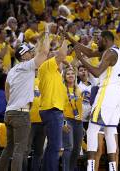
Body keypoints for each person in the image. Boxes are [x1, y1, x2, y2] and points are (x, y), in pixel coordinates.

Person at [68, 30, 120, 171]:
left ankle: (91, 168)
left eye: (98, 40)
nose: (96, 42)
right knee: (110, 131)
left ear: (105, 40)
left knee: (92, 130)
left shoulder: (109, 54)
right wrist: (70, 38)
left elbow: (97, 72)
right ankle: (112, 169)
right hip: (117, 94)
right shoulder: (116, 50)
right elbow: (91, 53)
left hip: (107, 92)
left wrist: (80, 58)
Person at [0, 34, 50, 171]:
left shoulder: (12, 71)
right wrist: (47, 35)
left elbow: (7, 90)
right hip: (21, 114)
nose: (31, 53)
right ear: (23, 55)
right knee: (19, 149)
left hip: (9, 112)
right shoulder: (28, 66)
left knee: (8, 148)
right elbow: (44, 53)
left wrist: (13, 104)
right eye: (28, 52)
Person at [38, 38, 68, 171]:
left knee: (52, 146)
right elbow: (62, 55)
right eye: (56, 58)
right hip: (51, 110)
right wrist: (66, 40)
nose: (59, 61)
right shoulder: (47, 66)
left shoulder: (57, 76)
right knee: (55, 147)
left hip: (54, 111)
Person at [62, 67, 83, 171]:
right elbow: (59, 108)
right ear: (64, 77)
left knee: (77, 149)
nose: (70, 75)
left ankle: (71, 168)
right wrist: (63, 123)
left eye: (72, 74)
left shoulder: (78, 89)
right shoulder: (61, 89)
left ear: (75, 76)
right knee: (68, 147)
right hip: (67, 119)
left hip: (78, 121)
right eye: (68, 74)